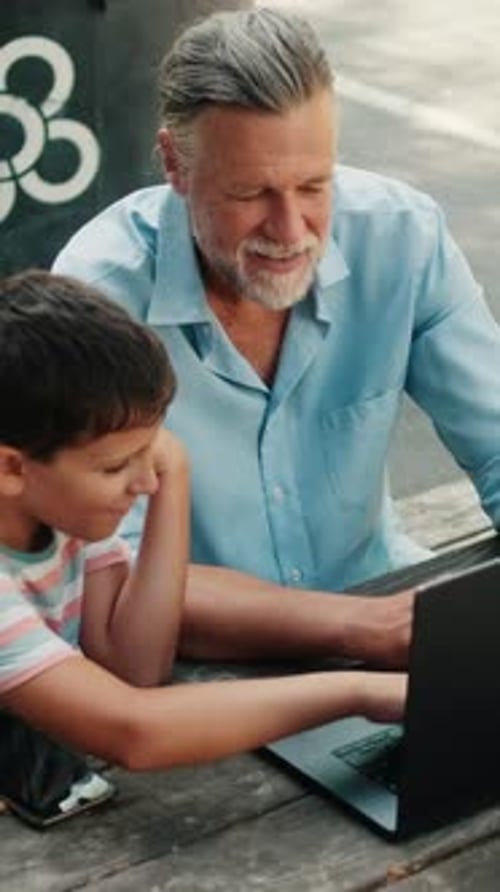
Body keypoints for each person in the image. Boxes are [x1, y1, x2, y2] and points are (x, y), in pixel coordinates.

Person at [54, 9, 500, 661]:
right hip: (193, 670)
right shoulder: (98, 300)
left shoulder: (403, 237)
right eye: (251, 193)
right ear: (175, 164)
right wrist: (358, 627)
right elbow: (110, 581)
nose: (291, 230)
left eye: (315, 185)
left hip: (383, 617)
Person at [0, 269, 406, 825]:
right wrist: (359, 691)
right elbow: (135, 729)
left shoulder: (61, 508)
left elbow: (134, 666)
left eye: (152, 452)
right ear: (11, 467)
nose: (144, 482)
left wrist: (177, 474)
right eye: (118, 466)